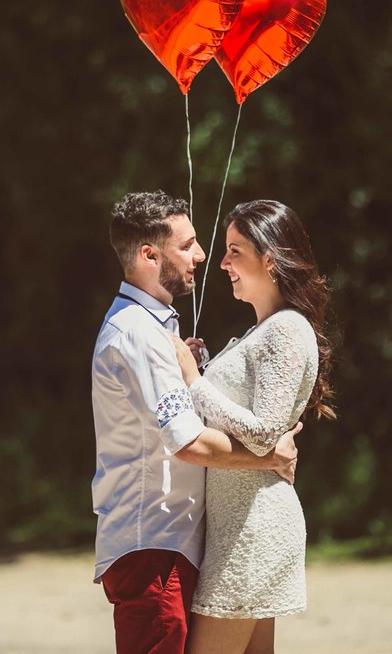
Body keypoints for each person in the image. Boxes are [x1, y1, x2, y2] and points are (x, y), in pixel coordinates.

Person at [91, 191, 303, 654]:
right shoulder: (139, 334)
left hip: (168, 546)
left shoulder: (152, 329)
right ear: (149, 255)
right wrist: (268, 457)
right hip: (153, 548)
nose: (202, 255)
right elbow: (186, 443)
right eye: (187, 245)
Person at [171, 199, 337, 654]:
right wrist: (204, 373)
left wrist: (192, 379)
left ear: (270, 258)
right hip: (242, 526)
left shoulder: (285, 328)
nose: (221, 262)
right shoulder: (264, 329)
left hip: (253, 530)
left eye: (234, 250)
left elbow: (263, 433)